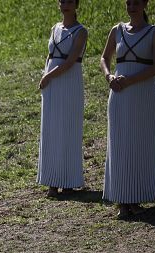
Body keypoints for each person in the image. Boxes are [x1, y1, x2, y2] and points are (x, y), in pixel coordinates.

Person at [100, 0, 155, 219]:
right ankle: (122, 200)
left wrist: (131, 80)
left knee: (140, 143)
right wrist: (109, 76)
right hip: (119, 94)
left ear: (145, 3)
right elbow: (104, 57)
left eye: (137, 2)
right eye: (129, 2)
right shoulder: (116, 30)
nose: (132, 6)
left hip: (143, 95)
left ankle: (136, 197)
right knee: (120, 144)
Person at [37, 0, 88, 197]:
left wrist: (48, 76)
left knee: (67, 127)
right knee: (51, 128)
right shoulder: (55, 28)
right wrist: (46, 74)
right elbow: (50, 56)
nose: (65, 4)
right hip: (51, 83)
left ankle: (68, 181)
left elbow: (70, 61)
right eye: (62, 1)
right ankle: (52, 181)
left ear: (76, 5)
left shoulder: (81, 31)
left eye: (70, 1)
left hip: (68, 81)